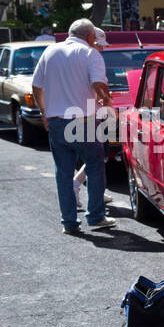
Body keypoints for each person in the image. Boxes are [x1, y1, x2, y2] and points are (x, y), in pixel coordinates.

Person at [31, 19, 114, 235]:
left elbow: (36, 85)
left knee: (63, 173)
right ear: (90, 37)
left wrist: (44, 113)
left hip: (57, 120)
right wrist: (106, 99)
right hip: (83, 120)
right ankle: (95, 216)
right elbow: (98, 83)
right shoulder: (90, 53)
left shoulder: (50, 51)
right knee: (95, 166)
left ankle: (69, 223)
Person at [72, 28, 111, 200]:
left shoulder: (81, 59)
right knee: (98, 157)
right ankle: (76, 185)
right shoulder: (92, 59)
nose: (101, 49)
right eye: (99, 45)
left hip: (85, 111)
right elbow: (98, 86)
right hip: (91, 114)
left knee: (98, 157)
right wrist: (106, 101)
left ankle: (97, 192)